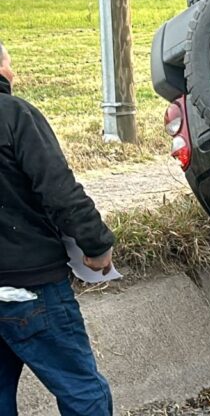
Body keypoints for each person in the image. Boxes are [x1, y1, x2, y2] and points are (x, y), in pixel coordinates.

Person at [0, 40, 116, 414]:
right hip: (29, 284)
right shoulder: (14, 115)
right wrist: (96, 244)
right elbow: (58, 188)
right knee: (81, 389)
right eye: (10, 63)